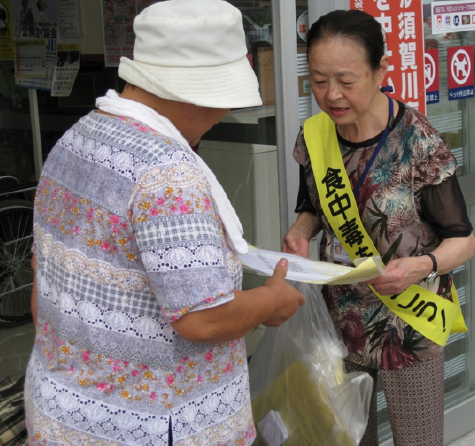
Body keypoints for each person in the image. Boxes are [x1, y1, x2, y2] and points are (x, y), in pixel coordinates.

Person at [25, 1, 304, 445]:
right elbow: (203, 319)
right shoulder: (169, 174)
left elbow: (42, 285)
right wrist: (271, 301)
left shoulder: (76, 139)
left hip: (62, 413)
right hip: (156, 424)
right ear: (190, 90)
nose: (221, 115)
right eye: (219, 101)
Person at [282, 10, 475, 446]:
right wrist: (300, 229)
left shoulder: (416, 141)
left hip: (408, 321)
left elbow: (463, 239)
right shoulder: (315, 135)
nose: (331, 95)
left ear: (379, 71)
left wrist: (420, 266)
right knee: (350, 438)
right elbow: (313, 206)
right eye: (317, 80)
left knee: (417, 439)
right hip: (341, 320)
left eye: (346, 81)